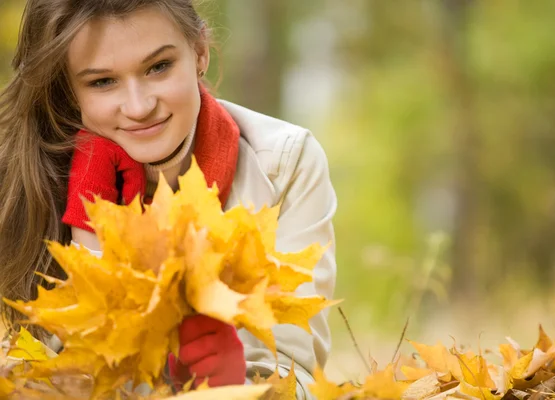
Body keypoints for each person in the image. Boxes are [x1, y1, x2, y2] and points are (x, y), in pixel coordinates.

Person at [0, 0, 337, 398]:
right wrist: (89, 231)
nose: (140, 107)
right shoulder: (21, 181)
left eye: (158, 67)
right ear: (70, 91)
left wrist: (237, 385)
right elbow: (26, 376)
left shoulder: (284, 162)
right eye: (102, 82)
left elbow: (297, 373)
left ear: (199, 53)